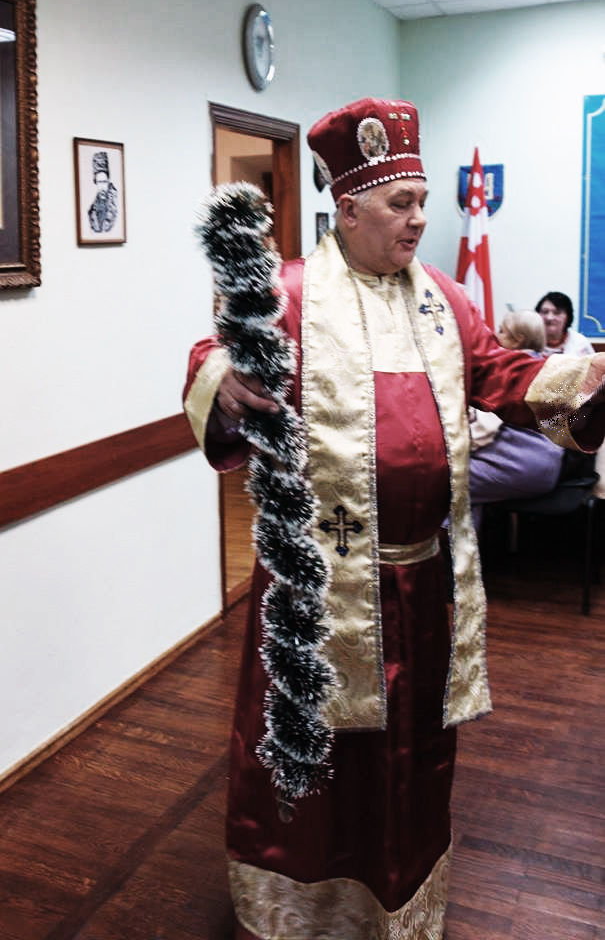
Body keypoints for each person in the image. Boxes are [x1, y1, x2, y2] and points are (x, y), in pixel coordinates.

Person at [183, 98, 605, 940]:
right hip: (314, 592)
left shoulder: (443, 297)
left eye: (422, 202)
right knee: (316, 759)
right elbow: (214, 356)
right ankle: (297, 906)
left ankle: (398, 901)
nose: (419, 218)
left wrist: (589, 378)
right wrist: (223, 381)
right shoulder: (288, 294)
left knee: (408, 759)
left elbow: (502, 375)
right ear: (347, 208)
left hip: (421, 586)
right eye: (399, 203)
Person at [469, 310, 564, 528]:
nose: (495, 335)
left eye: (502, 330)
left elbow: (482, 432)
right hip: (548, 466)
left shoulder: (510, 372)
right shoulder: (546, 365)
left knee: (444, 482)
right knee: (468, 492)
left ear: (518, 339)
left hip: (520, 466)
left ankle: (452, 548)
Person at [535, 290, 594, 356]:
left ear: (568, 317)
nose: (549, 318)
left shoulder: (580, 343)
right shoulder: (529, 341)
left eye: (557, 313)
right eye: (545, 312)